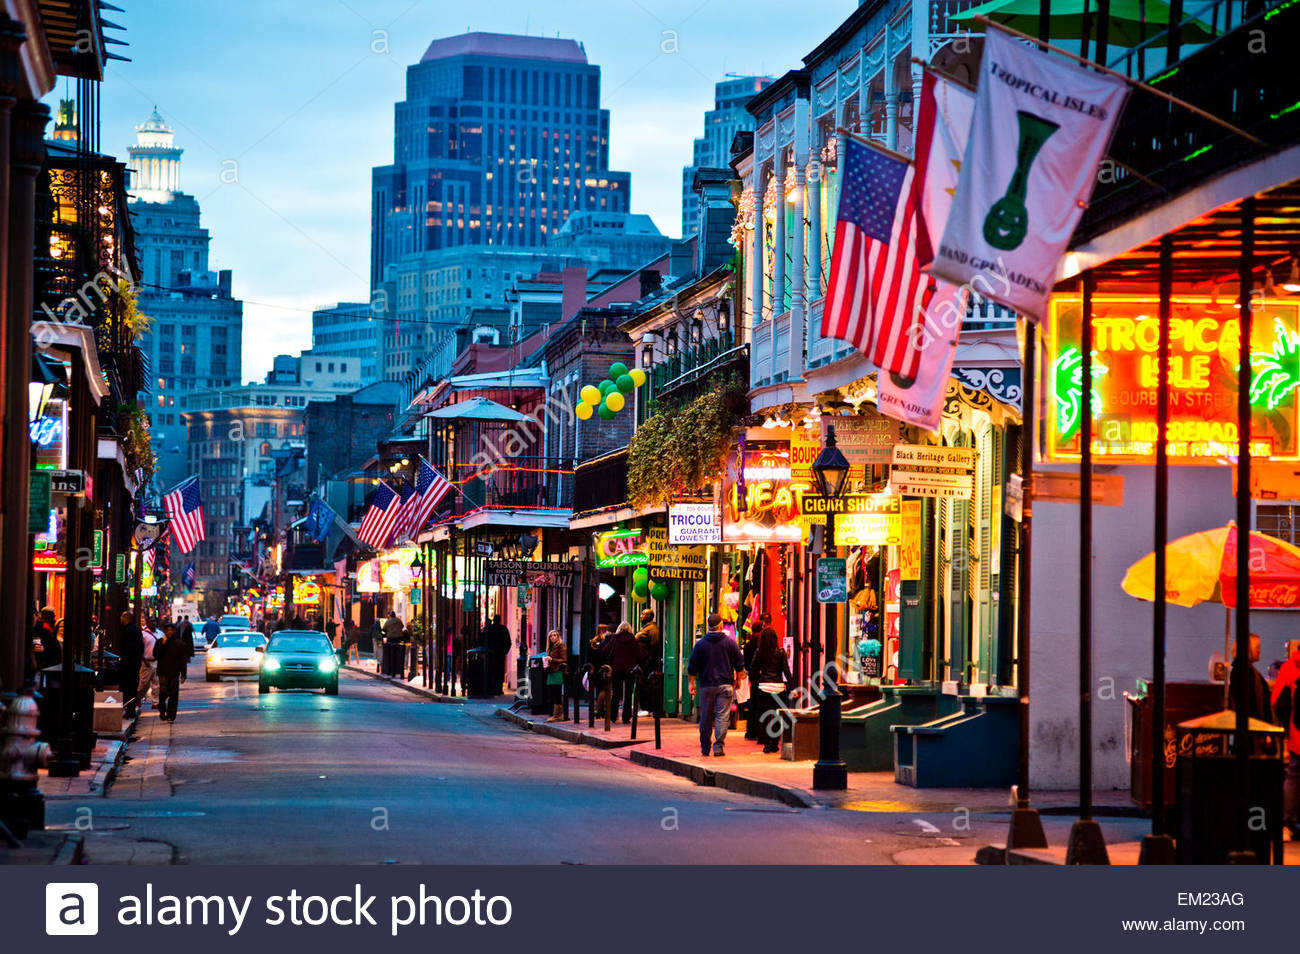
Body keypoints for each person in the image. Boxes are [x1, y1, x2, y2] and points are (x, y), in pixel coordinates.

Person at [687, 612, 744, 757]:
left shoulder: (700, 645)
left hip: (706, 685)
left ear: (708, 627)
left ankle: (705, 747)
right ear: (720, 626)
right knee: (722, 716)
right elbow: (739, 664)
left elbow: (692, 666)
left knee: (705, 716)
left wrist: (691, 683)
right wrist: (738, 680)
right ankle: (718, 746)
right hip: (725, 685)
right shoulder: (730, 643)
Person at [748, 626, 792, 753]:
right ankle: (774, 742)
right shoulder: (781, 652)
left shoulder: (759, 652)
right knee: (779, 717)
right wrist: (793, 687)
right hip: (779, 687)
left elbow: (752, 669)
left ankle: (767, 743)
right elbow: (786, 671)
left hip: (764, 688)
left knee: (764, 717)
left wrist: (756, 681)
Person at [1273, 644, 1300, 839]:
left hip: (1297, 731)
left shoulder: (1290, 666)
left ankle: (1287, 824)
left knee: (1293, 777)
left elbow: (1277, 701)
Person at [1228, 633, 1274, 724]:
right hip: (1254, 728)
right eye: (1257, 647)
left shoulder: (1245, 670)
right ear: (1248, 649)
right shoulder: (1245, 671)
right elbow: (1254, 704)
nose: (1259, 651)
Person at [154, 623, 189, 723]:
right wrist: (163, 644)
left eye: (171, 630)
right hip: (163, 673)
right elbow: (156, 655)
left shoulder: (179, 644)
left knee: (173, 695)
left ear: (174, 631)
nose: (169, 632)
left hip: (174, 673)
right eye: (167, 630)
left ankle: (171, 716)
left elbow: (183, 660)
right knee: (163, 694)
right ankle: (162, 711)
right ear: (164, 631)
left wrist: (183, 675)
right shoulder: (159, 642)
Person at [607, 621, 640, 724]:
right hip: (630, 669)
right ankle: (626, 717)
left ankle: (613, 716)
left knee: (616, 693)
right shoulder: (633, 640)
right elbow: (639, 654)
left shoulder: (615, 638)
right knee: (628, 694)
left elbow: (605, 650)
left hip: (617, 669)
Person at [117, 611, 144, 718]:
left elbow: (124, 647)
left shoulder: (127, 631)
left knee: (126, 687)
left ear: (126, 619)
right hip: (135, 663)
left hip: (127, 663)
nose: (121, 621)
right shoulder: (137, 630)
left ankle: (129, 709)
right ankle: (131, 709)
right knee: (133, 687)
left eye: (122, 618)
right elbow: (140, 647)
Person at [484, 614, 511, 695]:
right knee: (499, 672)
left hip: (491, 653)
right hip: (500, 654)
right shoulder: (503, 629)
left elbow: (485, 640)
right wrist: (504, 652)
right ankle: (498, 689)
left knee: (491, 671)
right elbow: (508, 642)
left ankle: (491, 689)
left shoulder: (489, 629)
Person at [545, 630, 567, 722]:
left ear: (558, 637)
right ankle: (555, 714)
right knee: (553, 693)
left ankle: (557, 715)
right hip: (551, 671)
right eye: (551, 636)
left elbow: (564, 659)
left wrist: (552, 659)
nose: (553, 637)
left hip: (557, 671)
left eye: (555, 635)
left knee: (557, 693)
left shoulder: (561, 646)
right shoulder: (551, 647)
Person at [138, 621, 160, 710]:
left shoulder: (160, 633)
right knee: (143, 683)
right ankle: (137, 698)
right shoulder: (143, 634)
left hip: (157, 661)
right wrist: (143, 659)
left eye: (155, 621)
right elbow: (139, 648)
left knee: (157, 683)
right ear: (148, 623)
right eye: (151, 622)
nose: (153, 623)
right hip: (146, 662)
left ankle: (156, 702)